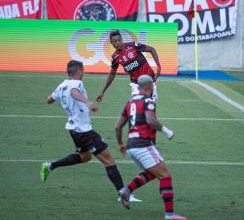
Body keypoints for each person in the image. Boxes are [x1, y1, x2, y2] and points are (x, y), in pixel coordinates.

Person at [40, 60, 130, 209]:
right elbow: (73, 92)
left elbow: (49, 99)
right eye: (83, 71)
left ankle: (50, 166)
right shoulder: (77, 84)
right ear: (79, 71)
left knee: (85, 157)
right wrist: (87, 102)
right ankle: (123, 194)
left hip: (73, 129)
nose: (84, 73)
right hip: (84, 131)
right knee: (109, 160)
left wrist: (57, 100)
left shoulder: (61, 85)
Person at [115, 75, 187, 220]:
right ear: (149, 87)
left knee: (152, 173)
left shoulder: (130, 102)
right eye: (153, 86)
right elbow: (151, 121)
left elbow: (117, 127)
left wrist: (121, 144)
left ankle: (126, 191)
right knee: (165, 176)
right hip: (143, 145)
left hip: (131, 146)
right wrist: (167, 131)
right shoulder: (149, 101)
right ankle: (169, 215)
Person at [96, 30, 161, 102]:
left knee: (150, 105)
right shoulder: (115, 57)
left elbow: (151, 49)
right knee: (137, 105)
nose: (117, 43)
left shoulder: (133, 45)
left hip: (149, 80)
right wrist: (102, 91)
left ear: (121, 39)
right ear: (111, 43)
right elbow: (112, 74)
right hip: (136, 84)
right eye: (115, 41)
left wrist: (158, 66)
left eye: (119, 40)